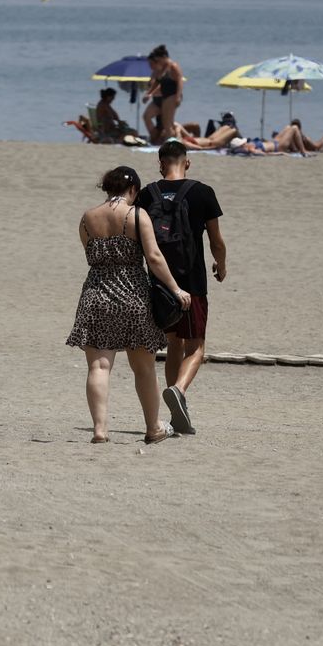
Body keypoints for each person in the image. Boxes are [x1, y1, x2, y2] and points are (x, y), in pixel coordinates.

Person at [66, 165, 192, 444]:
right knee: (144, 367)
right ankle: (153, 428)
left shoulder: (87, 218)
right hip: (132, 295)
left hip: (96, 295)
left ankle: (99, 430)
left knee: (98, 367)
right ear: (133, 189)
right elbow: (154, 257)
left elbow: (92, 255)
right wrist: (175, 288)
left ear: (107, 187)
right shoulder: (137, 215)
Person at [136, 140, 226, 435]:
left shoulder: (147, 194)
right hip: (193, 283)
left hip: (160, 284)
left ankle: (177, 415)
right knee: (196, 345)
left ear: (160, 164)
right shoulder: (202, 192)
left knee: (174, 343)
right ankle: (178, 390)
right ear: (187, 162)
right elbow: (216, 240)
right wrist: (220, 265)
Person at [141, 45, 183, 141]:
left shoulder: (173, 66)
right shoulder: (162, 67)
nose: (158, 61)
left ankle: (172, 143)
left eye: (158, 59)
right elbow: (157, 82)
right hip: (165, 96)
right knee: (165, 122)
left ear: (164, 57)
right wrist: (149, 93)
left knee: (167, 123)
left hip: (172, 95)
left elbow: (180, 80)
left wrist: (178, 96)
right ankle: (168, 140)